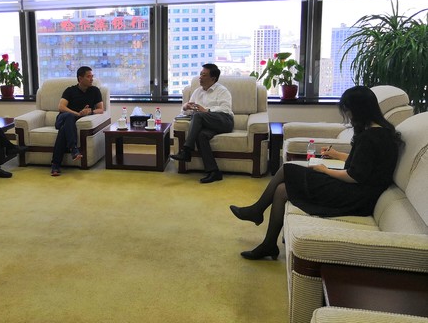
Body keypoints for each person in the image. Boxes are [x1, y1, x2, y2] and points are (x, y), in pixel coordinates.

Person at [230, 86, 402, 260]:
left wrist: (325, 170)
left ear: (359, 110)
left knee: (287, 170)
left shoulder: (369, 138)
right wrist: (336, 154)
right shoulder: (383, 132)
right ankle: (268, 243)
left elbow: (354, 176)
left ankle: (257, 211)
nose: (349, 116)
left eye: (349, 111)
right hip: (362, 194)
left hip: (354, 195)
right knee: (282, 190)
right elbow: (363, 163)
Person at [170, 63, 234, 184]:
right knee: (201, 135)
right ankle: (214, 172)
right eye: (200, 74)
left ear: (213, 78)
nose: (200, 77)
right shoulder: (197, 92)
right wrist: (185, 107)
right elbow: (190, 112)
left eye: (204, 75)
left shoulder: (222, 91)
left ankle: (186, 150)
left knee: (199, 115)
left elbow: (226, 109)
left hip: (224, 121)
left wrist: (207, 110)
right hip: (207, 123)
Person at [50, 66, 104, 176]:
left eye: (92, 76)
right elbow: (61, 107)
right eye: (88, 77)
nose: (91, 79)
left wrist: (90, 112)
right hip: (63, 118)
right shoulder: (70, 90)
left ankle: (55, 165)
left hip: (71, 124)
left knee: (64, 130)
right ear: (80, 78)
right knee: (69, 117)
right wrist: (77, 114)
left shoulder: (95, 91)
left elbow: (101, 109)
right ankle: (74, 149)